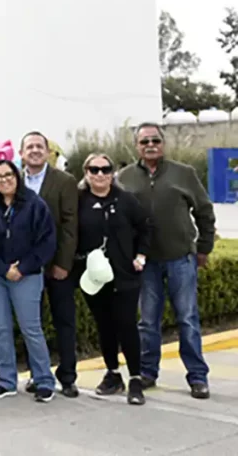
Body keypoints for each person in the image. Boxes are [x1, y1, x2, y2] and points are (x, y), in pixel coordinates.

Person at [118, 123, 215, 399]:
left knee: (187, 319)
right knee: (148, 321)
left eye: (156, 140)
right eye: (144, 141)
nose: (150, 145)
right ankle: (148, 372)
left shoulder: (184, 174)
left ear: (163, 143)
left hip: (180, 259)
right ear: (136, 146)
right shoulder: (124, 177)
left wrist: (203, 246)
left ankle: (198, 377)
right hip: (144, 263)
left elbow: (204, 211)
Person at [0, 160, 57, 402]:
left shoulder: (34, 204)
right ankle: (6, 381)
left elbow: (47, 243)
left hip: (27, 275)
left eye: (8, 175)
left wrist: (22, 267)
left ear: (17, 176)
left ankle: (43, 381)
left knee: (31, 329)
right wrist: (2, 269)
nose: (4, 180)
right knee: (0, 329)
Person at [77, 153, 150, 406]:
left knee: (127, 325)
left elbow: (145, 227)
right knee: (105, 326)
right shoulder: (79, 202)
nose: (100, 174)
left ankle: (136, 379)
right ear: (86, 173)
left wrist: (141, 255)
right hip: (95, 278)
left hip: (125, 276)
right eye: (94, 169)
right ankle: (113, 373)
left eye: (105, 169)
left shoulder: (126, 200)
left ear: (112, 173)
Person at [19, 131, 80, 398]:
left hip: (56, 265)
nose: (34, 150)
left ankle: (67, 377)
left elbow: (70, 226)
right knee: (33, 323)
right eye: (29, 146)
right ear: (21, 153)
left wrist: (63, 263)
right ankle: (38, 373)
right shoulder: (13, 179)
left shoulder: (64, 181)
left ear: (48, 152)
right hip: (26, 267)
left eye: (39, 146)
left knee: (63, 319)